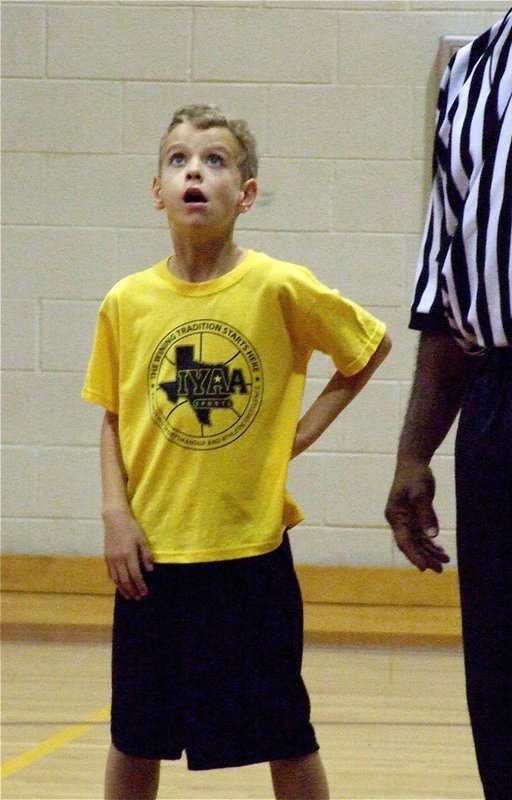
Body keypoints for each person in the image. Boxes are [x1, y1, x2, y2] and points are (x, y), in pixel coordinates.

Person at [82, 104, 391, 800]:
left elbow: (366, 349)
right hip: (152, 559)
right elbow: (111, 415)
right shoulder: (126, 302)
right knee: (135, 735)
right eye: (179, 159)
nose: (195, 170)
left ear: (244, 193)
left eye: (215, 160)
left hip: (249, 555)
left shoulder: (277, 286)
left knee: (285, 730)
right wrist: (114, 512)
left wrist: (300, 433)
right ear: (157, 189)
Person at [385, 3, 512, 798]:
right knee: (503, 676)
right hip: (498, 399)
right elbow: (444, 277)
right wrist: (414, 450)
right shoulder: (473, 68)